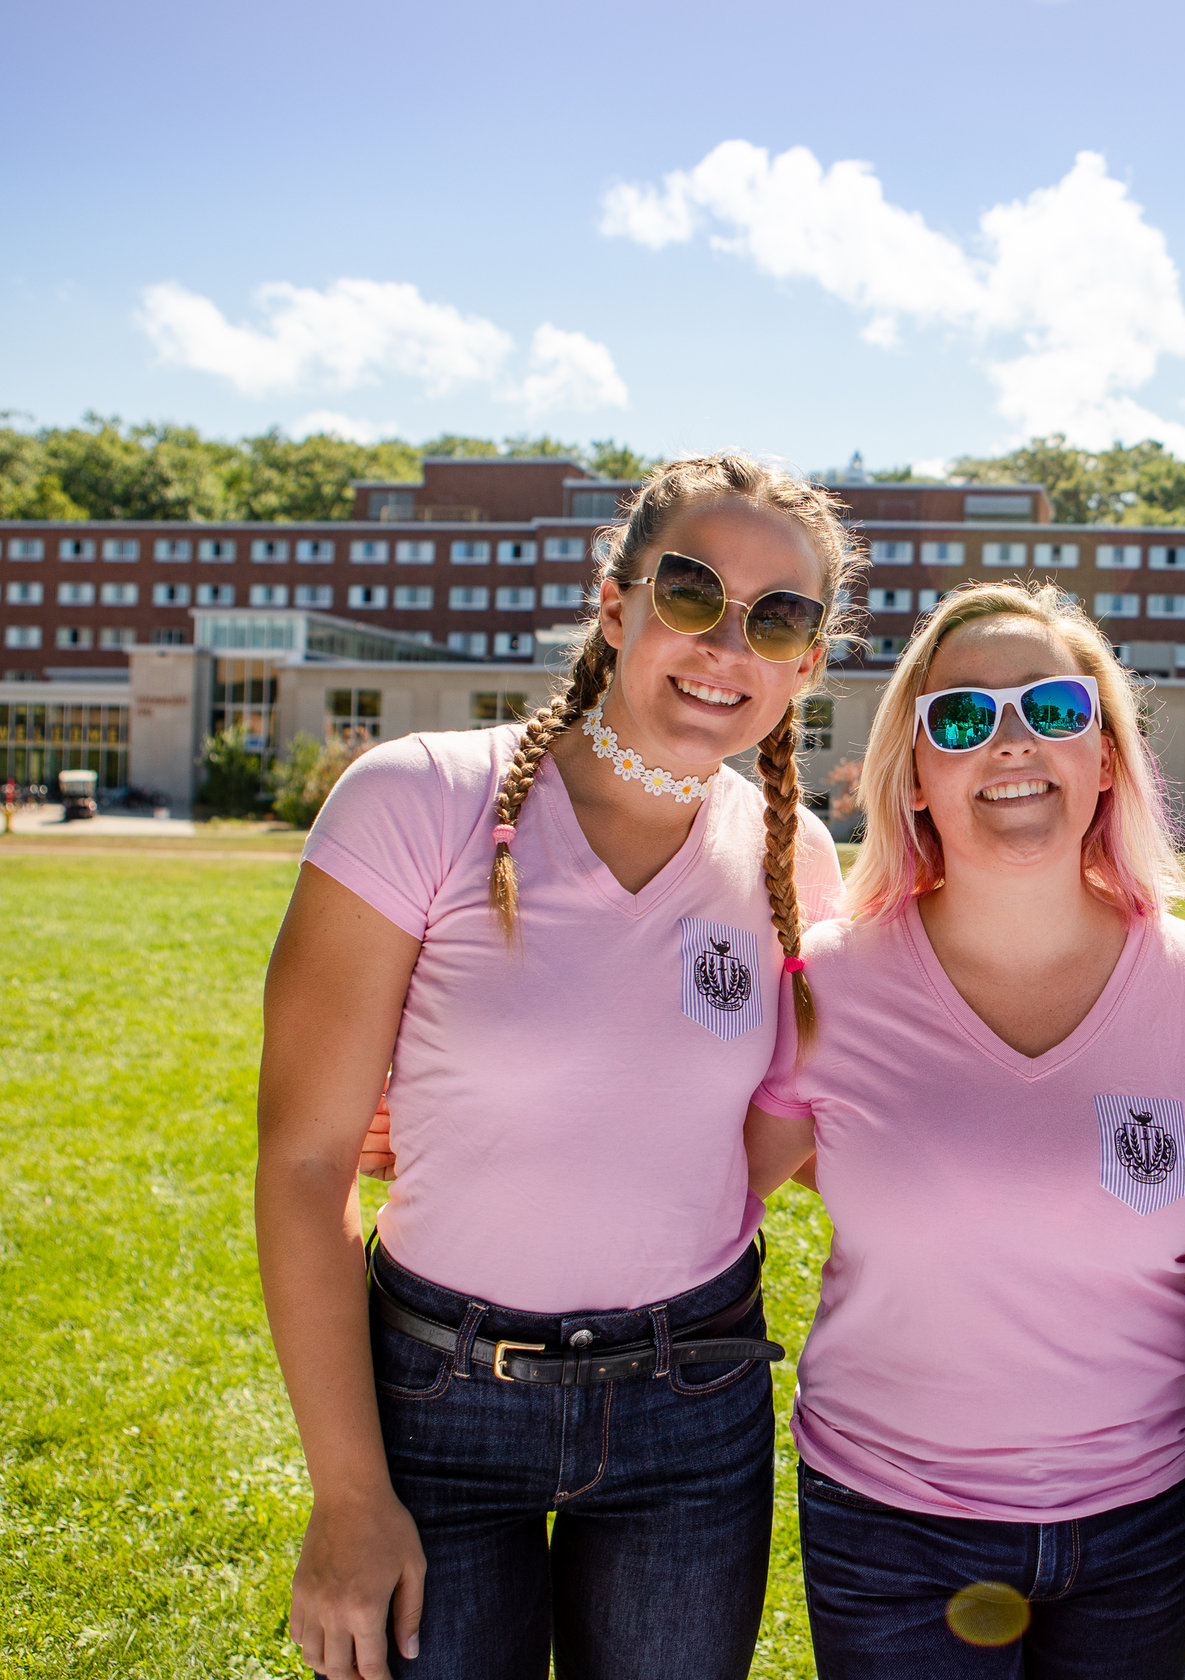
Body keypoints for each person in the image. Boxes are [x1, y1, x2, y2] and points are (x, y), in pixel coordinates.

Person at [256, 454, 858, 1680]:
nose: (725, 646)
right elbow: (307, 1163)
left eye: (778, 619)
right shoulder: (417, 799)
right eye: (689, 594)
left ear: (809, 660)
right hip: (439, 1404)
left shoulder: (797, 859)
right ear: (615, 603)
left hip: (694, 1404)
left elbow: (775, 1137)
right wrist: (349, 1495)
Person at [743, 581, 1185, 1680]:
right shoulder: (831, 982)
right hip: (889, 1522)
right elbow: (700, 1184)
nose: (1011, 742)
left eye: (1055, 710)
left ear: (1106, 756)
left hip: (1141, 1527)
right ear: (914, 777)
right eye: (962, 719)